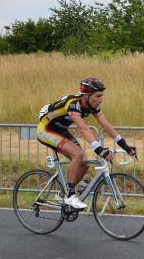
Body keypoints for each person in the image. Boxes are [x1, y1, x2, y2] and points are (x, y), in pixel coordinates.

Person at [36, 78, 136, 210]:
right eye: (98, 96)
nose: (100, 100)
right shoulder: (73, 104)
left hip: (60, 130)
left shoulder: (92, 106)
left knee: (84, 164)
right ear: (87, 95)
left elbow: (106, 125)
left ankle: (62, 195)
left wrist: (125, 146)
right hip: (46, 129)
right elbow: (84, 128)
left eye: (102, 96)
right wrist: (99, 150)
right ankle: (70, 195)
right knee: (78, 154)